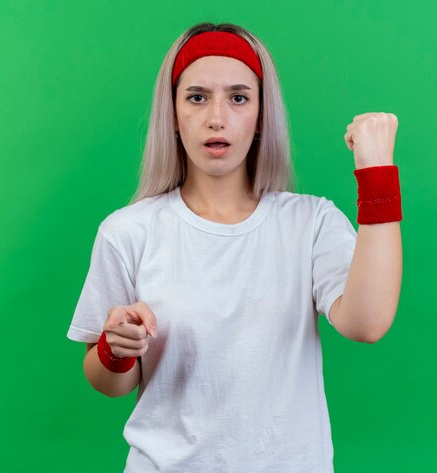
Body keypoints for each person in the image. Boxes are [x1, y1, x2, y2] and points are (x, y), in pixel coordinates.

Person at [67, 21, 403, 473]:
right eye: (197, 96)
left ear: (262, 115)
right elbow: (108, 383)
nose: (217, 117)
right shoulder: (128, 231)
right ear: (173, 112)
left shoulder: (311, 222)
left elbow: (367, 322)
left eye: (239, 97)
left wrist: (377, 173)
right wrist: (116, 346)